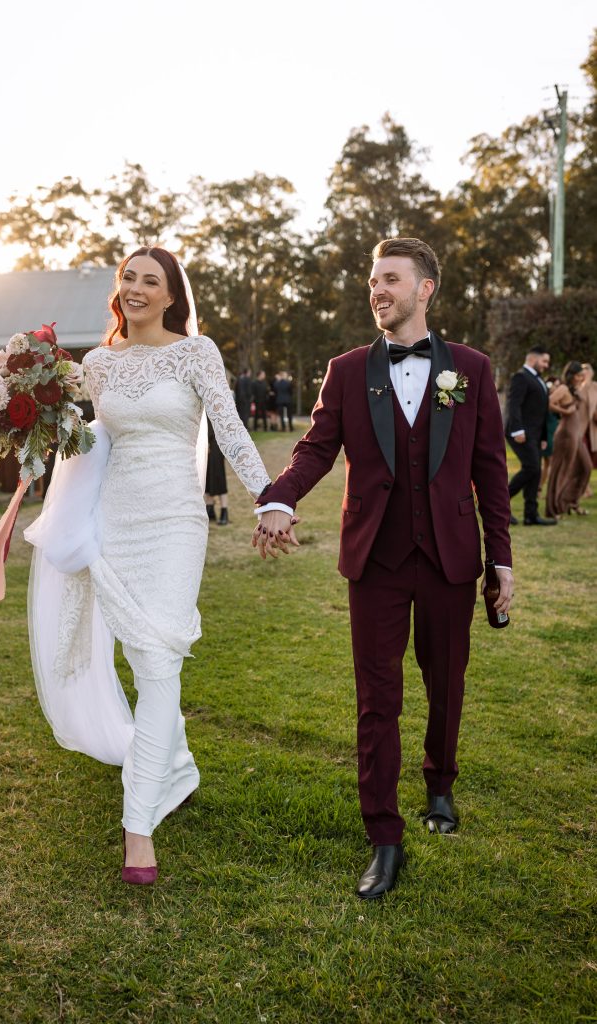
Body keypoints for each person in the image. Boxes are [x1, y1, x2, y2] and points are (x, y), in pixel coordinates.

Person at [253, 237, 513, 900]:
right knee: (377, 699)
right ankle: (384, 837)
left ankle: (440, 785)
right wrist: (279, 499)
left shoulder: (470, 369)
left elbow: (489, 468)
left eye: (391, 279)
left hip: (450, 557)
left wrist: (501, 558)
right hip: (375, 559)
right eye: (373, 281)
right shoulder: (346, 371)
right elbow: (315, 449)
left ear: (424, 289)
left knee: (445, 683)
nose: (377, 290)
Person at [24, 247, 270, 884]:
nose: (136, 288)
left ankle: (138, 826)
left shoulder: (196, 353)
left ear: (170, 296)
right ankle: (177, 769)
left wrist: (270, 498)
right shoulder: (98, 364)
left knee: (159, 658)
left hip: (175, 522)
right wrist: (30, 415)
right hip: (115, 522)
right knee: (143, 659)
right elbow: (83, 441)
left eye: (150, 280)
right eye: (128, 277)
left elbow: (230, 429)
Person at [505, 346, 556, 526]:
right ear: (533, 359)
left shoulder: (538, 380)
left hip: (535, 435)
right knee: (532, 467)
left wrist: (544, 437)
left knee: (536, 471)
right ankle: (499, 504)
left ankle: (531, 515)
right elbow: (514, 405)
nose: (546, 365)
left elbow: (542, 411)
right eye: (544, 361)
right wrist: (518, 430)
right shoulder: (521, 377)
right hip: (520, 433)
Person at [545, 361, 591, 517]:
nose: (580, 378)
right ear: (571, 375)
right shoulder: (563, 388)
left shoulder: (575, 389)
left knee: (585, 467)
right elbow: (548, 402)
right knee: (561, 470)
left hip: (576, 435)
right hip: (566, 434)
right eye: (578, 375)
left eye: (582, 376)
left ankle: (569, 501)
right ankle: (553, 508)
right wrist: (565, 411)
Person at [204, 419, 229, 525]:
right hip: (207, 442)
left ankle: (224, 511)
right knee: (206, 476)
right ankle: (210, 509)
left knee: (218, 477)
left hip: (216, 442)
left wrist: (206, 441)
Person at [539, 377, 561, 494]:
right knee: (550, 463)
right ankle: (550, 490)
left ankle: (539, 488)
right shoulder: (546, 399)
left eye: (558, 385)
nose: (557, 387)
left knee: (548, 464)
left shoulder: (557, 400)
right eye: (555, 385)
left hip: (554, 433)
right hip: (547, 434)